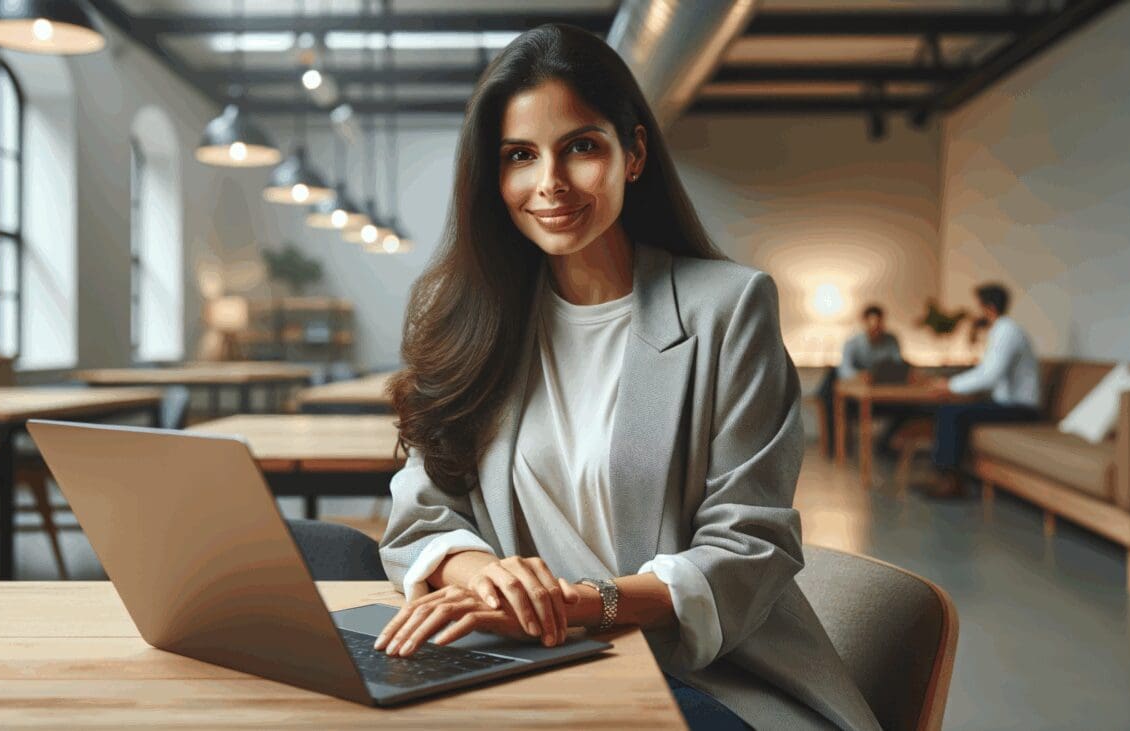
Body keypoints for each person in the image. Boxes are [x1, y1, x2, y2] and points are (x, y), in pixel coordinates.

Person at [372, 25, 880, 731]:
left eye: (579, 146)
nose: (549, 182)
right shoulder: (469, 320)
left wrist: (586, 601)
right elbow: (424, 510)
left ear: (633, 153)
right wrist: (484, 575)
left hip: (701, 671)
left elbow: (748, 546)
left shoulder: (729, 307)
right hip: (528, 664)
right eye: (520, 156)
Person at [928, 283, 1041, 497]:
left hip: (1021, 409)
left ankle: (949, 481)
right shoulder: (1001, 331)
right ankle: (942, 475)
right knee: (951, 410)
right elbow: (986, 371)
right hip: (1007, 405)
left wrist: (949, 386)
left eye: (979, 307)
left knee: (950, 413)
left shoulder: (1007, 331)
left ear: (988, 308)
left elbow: (989, 376)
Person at [816, 305, 910, 454]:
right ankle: (836, 449)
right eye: (871, 324)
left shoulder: (891, 340)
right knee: (835, 403)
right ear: (864, 322)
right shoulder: (853, 343)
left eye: (879, 324)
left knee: (910, 407)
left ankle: (886, 445)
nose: (875, 329)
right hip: (854, 396)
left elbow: (898, 365)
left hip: (884, 393)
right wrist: (859, 376)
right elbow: (844, 370)